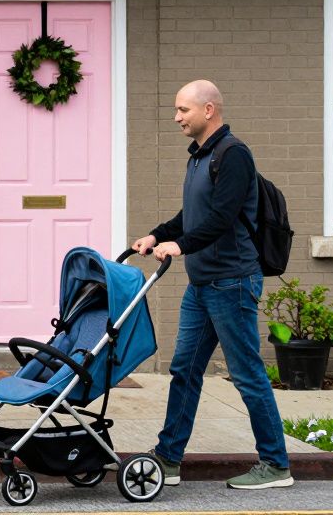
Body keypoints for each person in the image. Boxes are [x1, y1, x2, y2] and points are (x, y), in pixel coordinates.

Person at [131, 80, 292, 490]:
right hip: (203, 285)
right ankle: (168, 458)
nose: (176, 117)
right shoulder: (200, 157)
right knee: (184, 370)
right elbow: (193, 215)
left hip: (232, 282)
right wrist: (155, 235)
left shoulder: (233, 154)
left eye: (183, 110)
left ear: (208, 110)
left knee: (246, 374)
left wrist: (179, 246)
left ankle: (276, 465)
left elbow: (221, 219)